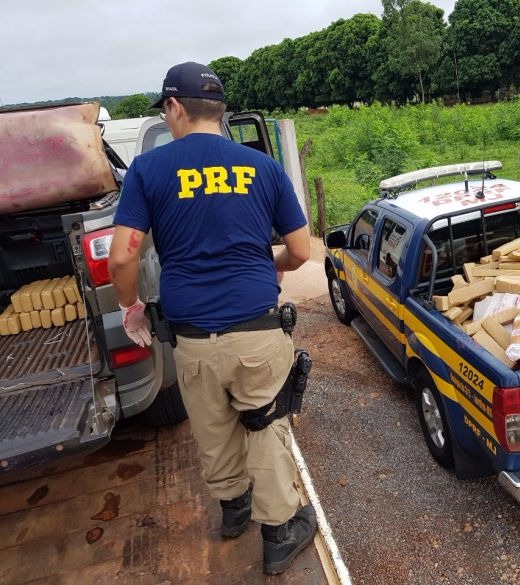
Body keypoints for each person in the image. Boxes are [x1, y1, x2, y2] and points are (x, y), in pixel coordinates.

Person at [107, 61, 315, 575]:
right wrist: (273, 265)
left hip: (192, 337)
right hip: (257, 331)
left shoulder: (148, 171)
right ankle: (279, 532)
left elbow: (121, 257)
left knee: (212, 425)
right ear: (219, 112)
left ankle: (233, 510)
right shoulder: (262, 167)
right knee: (264, 425)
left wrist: (131, 307)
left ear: (174, 107)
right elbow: (302, 250)